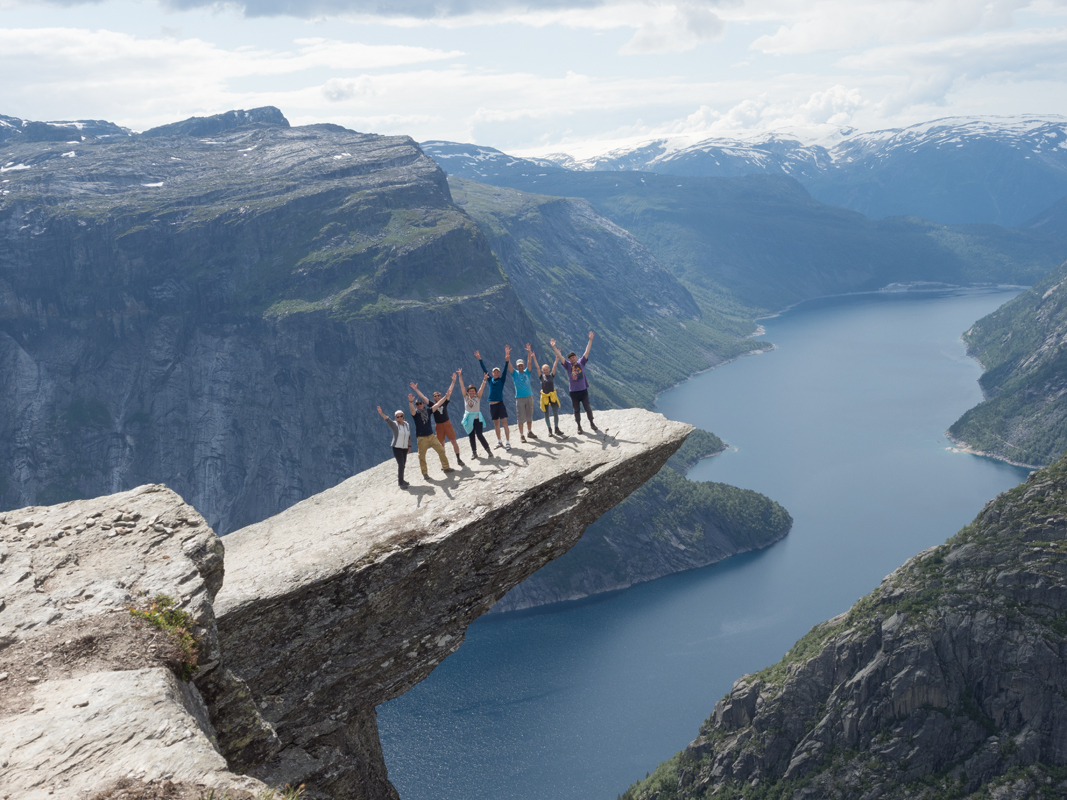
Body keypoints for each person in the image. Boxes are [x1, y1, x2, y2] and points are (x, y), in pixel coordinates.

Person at [411, 374, 464, 467]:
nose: (437, 397)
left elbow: (449, 392)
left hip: (447, 423)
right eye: (435, 396)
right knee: (441, 444)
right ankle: (444, 463)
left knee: (453, 441)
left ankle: (458, 459)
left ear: (440, 396)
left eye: (438, 395)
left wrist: (453, 381)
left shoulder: (444, 402)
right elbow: (423, 398)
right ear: (433, 398)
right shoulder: (431, 405)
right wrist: (416, 389)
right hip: (438, 425)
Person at [551, 331, 598, 434]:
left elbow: (587, 351)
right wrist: (554, 347)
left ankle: (592, 423)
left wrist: (590, 340)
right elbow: (560, 357)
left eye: (573, 357)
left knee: (588, 408)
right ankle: (579, 427)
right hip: (574, 392)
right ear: (569, 360)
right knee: (576, 410)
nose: (572, 359)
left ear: (576, 357)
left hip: (583, 390)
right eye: (570, 358)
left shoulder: (581, 362)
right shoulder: (568, 366)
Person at [409, 388, 454, 480]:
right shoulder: (416, 414)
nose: (419, 405)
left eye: (420, 403)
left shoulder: (429, 411)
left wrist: (446, 396)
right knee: (422, 456)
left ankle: (446, 467)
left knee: (441, 450)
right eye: (417, 404)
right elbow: (412, 410)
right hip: (421, 438)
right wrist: (410, 402)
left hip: (431, 436)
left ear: (423, 404)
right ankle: (425, 474)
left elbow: (438, 404)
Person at [478, 346, 512, 450]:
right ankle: (499, 441)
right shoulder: (490, 380)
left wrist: (507, 361)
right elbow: (484, 369)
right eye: (494, 372)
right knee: (496, 424)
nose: (496, 373)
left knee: (504, 422)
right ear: (492, 373)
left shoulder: (502, 380)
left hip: (499, 403)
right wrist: (480, 359)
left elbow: (506, 370)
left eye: (498, 372)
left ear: (499, 373)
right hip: (492, 405)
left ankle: (507, 442)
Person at [458, 367, 493, 458]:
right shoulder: (465, 397)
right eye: (470, 391)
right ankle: (474, 452)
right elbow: (462, 386)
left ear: (475, 391)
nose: (471, 392)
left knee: (479, 435)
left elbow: (482, 388)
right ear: (468, 392)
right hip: (469, 419)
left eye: (473, 391)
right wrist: (460, 376)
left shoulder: (478, 397)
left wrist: (484, 380)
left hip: (477, 418)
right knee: (471, 435)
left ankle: (488, 450)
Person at [529, 347, 563, 437]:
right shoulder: (541, 377)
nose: (545, 370)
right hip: (544, 397)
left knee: (555, 412)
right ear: (543, 370)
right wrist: (534, 358)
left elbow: (555, 366)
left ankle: (556, 428)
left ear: (548, 369)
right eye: (544, 370)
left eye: (546, 369)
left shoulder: (552, 375)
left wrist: (557, 358)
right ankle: (550, 430)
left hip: (552, 396)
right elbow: (537, 368)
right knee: (546, 414)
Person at [509, 343, 538, 443]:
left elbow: (530, 363)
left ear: (523, 365)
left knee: (529, 415)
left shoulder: (527, 372)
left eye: (522, 365)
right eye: (519, 365)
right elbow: (509, 367)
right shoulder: (515, 374)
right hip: (520, 398)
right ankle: (521, 435)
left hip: (529, 396)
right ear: (517, 366)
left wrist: (529, 352)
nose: (521, 366)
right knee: (520, 417)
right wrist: (507, 357)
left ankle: (529, 432)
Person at [376, 405, 412, 488]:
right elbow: (387, 419)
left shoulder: (407, 424)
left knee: (403, 464)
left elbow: (408, 435)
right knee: (401, 464)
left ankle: (402, 479)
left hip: (405, 447)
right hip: (397, 447)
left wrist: (409, 446)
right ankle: (400, 482)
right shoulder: (394, 425)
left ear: (403, 416)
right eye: (398, 416)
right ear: (396, 418)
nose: (400, 417)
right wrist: (381, 413)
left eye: (401, 416)